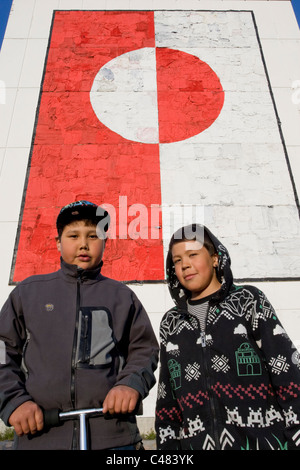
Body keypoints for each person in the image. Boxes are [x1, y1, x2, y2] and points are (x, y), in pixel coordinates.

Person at [0, 200, 158, 450]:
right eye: (73, 235)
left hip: (113, 439)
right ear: (58, 242)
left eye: (93, 236)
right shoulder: (27, 294)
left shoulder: (122, 297)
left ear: (105, 242)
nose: (83, 244)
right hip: (41, 437)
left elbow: (144, 350)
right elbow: (2, 350)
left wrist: (130, 384)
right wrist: (14, 401)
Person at [155, 224, 300, 450]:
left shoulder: (249, 301)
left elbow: (289, 376)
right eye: (177, 260)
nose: (185, 265)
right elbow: (167, 401)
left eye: (193, 254)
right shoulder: (171, 322)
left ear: (215, 258)